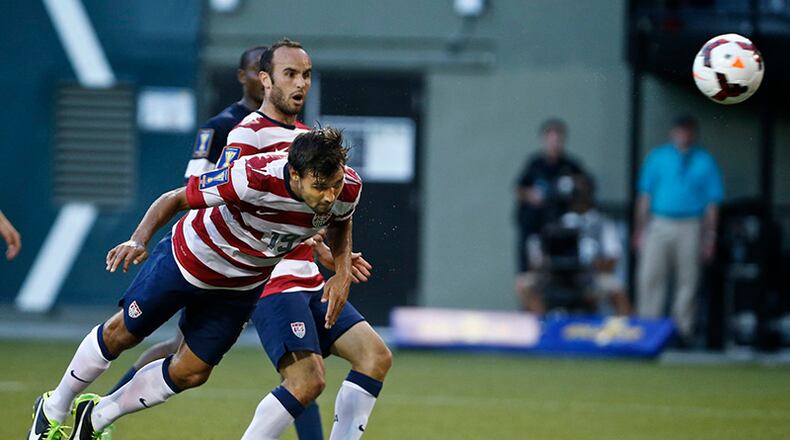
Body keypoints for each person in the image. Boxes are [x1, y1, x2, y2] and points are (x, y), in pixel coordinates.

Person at [28, 128, 364, 440]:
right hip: (189, 260)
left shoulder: (346, 187)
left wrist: (342, 270)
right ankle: (54, 406)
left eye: (335, 185)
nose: (329, 196)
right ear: (293, 174)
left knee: (192, 372)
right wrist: (138, 240)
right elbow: (173, 199)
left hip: (241, 286)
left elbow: (340, 223)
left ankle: (96, 416)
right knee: (123, 334)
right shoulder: (251, 177)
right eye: (320, 187)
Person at [236, 40, 391, 440]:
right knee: (306, 381)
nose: (300, 83)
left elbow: (331, 210)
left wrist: (330, 255)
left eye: (306, 75)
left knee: (374, 356)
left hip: (307, 275)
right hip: (271, 278)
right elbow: (230, 208)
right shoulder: (248, 134)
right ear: (265, 80)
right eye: (291, 74)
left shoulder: (308, 140)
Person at [633, 115, 724, 342]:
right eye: (680, 130)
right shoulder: (658, 157)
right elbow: (645, 196)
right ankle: (648, 329)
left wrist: (710, 237)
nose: (683, 135)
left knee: (688, 280)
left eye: (687, 131)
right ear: (673, 132)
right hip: (660, 221)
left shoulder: (705, 161)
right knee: (650, 276)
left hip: (691, 224)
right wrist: (640, 229)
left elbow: (712, 203)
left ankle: (681, 332)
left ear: (693, 133)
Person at [517, 175, 631, 315]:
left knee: (616, 288)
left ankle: (624, 331)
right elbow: (539, 256)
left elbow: (613, 259)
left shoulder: (602, 223)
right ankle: (542, 327)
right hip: (557, 277)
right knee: (524, 283)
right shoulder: (558, 221)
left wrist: (588, 265)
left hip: (591, 276)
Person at [514, 119, 586, 294]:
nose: (554, 143)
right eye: (550, 138)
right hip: (534, 228)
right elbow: (519, 189)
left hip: (561, 233)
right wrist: (531, 195)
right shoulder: (535, 164)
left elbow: (586, 189)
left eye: (558, 139)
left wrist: (573, 187)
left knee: (560, 277)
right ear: (544, 140)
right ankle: (530, 314)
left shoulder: (570, 166)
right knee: (529, 276)